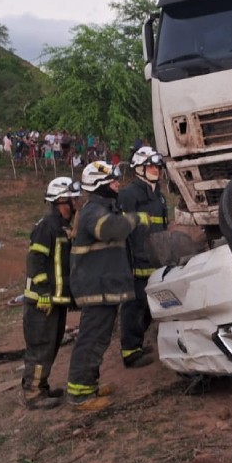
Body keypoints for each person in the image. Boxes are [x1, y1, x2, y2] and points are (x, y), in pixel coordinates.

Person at [66, 161, 150, 411]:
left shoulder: (103, 209)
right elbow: (111, 230)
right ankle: (80, 394)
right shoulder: (93, 211)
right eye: (112, 181)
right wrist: (135, 218)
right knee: (91, 339)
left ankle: (88, 386)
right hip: (96, 288)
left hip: (103, 287)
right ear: (99, 185)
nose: (117, 184)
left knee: (99, 339)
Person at [21, 177, 81, 410]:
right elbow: (35, 260)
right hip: (42, 302)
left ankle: (41, 386)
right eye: (73, 198)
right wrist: (44, 292)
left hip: (56, 301)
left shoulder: (62, 227)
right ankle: (32, 394)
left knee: (51, 344)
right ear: (61, 200)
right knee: (41, 346)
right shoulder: (47, 226)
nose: (77, 202)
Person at [117, 147, 169, 369]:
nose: (156, 170)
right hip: (136, 262)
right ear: (139, 168)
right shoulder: (129, 195)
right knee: (134, 307)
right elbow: (123, 231)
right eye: (151, 166)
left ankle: (137, 345)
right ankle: (130, 352)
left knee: (149, 306)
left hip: (155, 260)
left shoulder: (158, 195)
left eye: (157, 166)